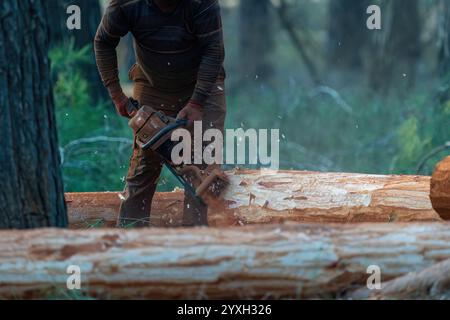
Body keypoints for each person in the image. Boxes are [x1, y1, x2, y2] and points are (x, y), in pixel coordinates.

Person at [94, 0, 226, 227]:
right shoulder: (125, 4)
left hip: (204, 85)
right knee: (144, 167)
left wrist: (196, 102)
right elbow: (103, 41)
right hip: (152, 85)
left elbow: (214, 51)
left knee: (203, 168)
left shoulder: (203, 4)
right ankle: (130, 240)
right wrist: (117, 94)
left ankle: (197, 243)